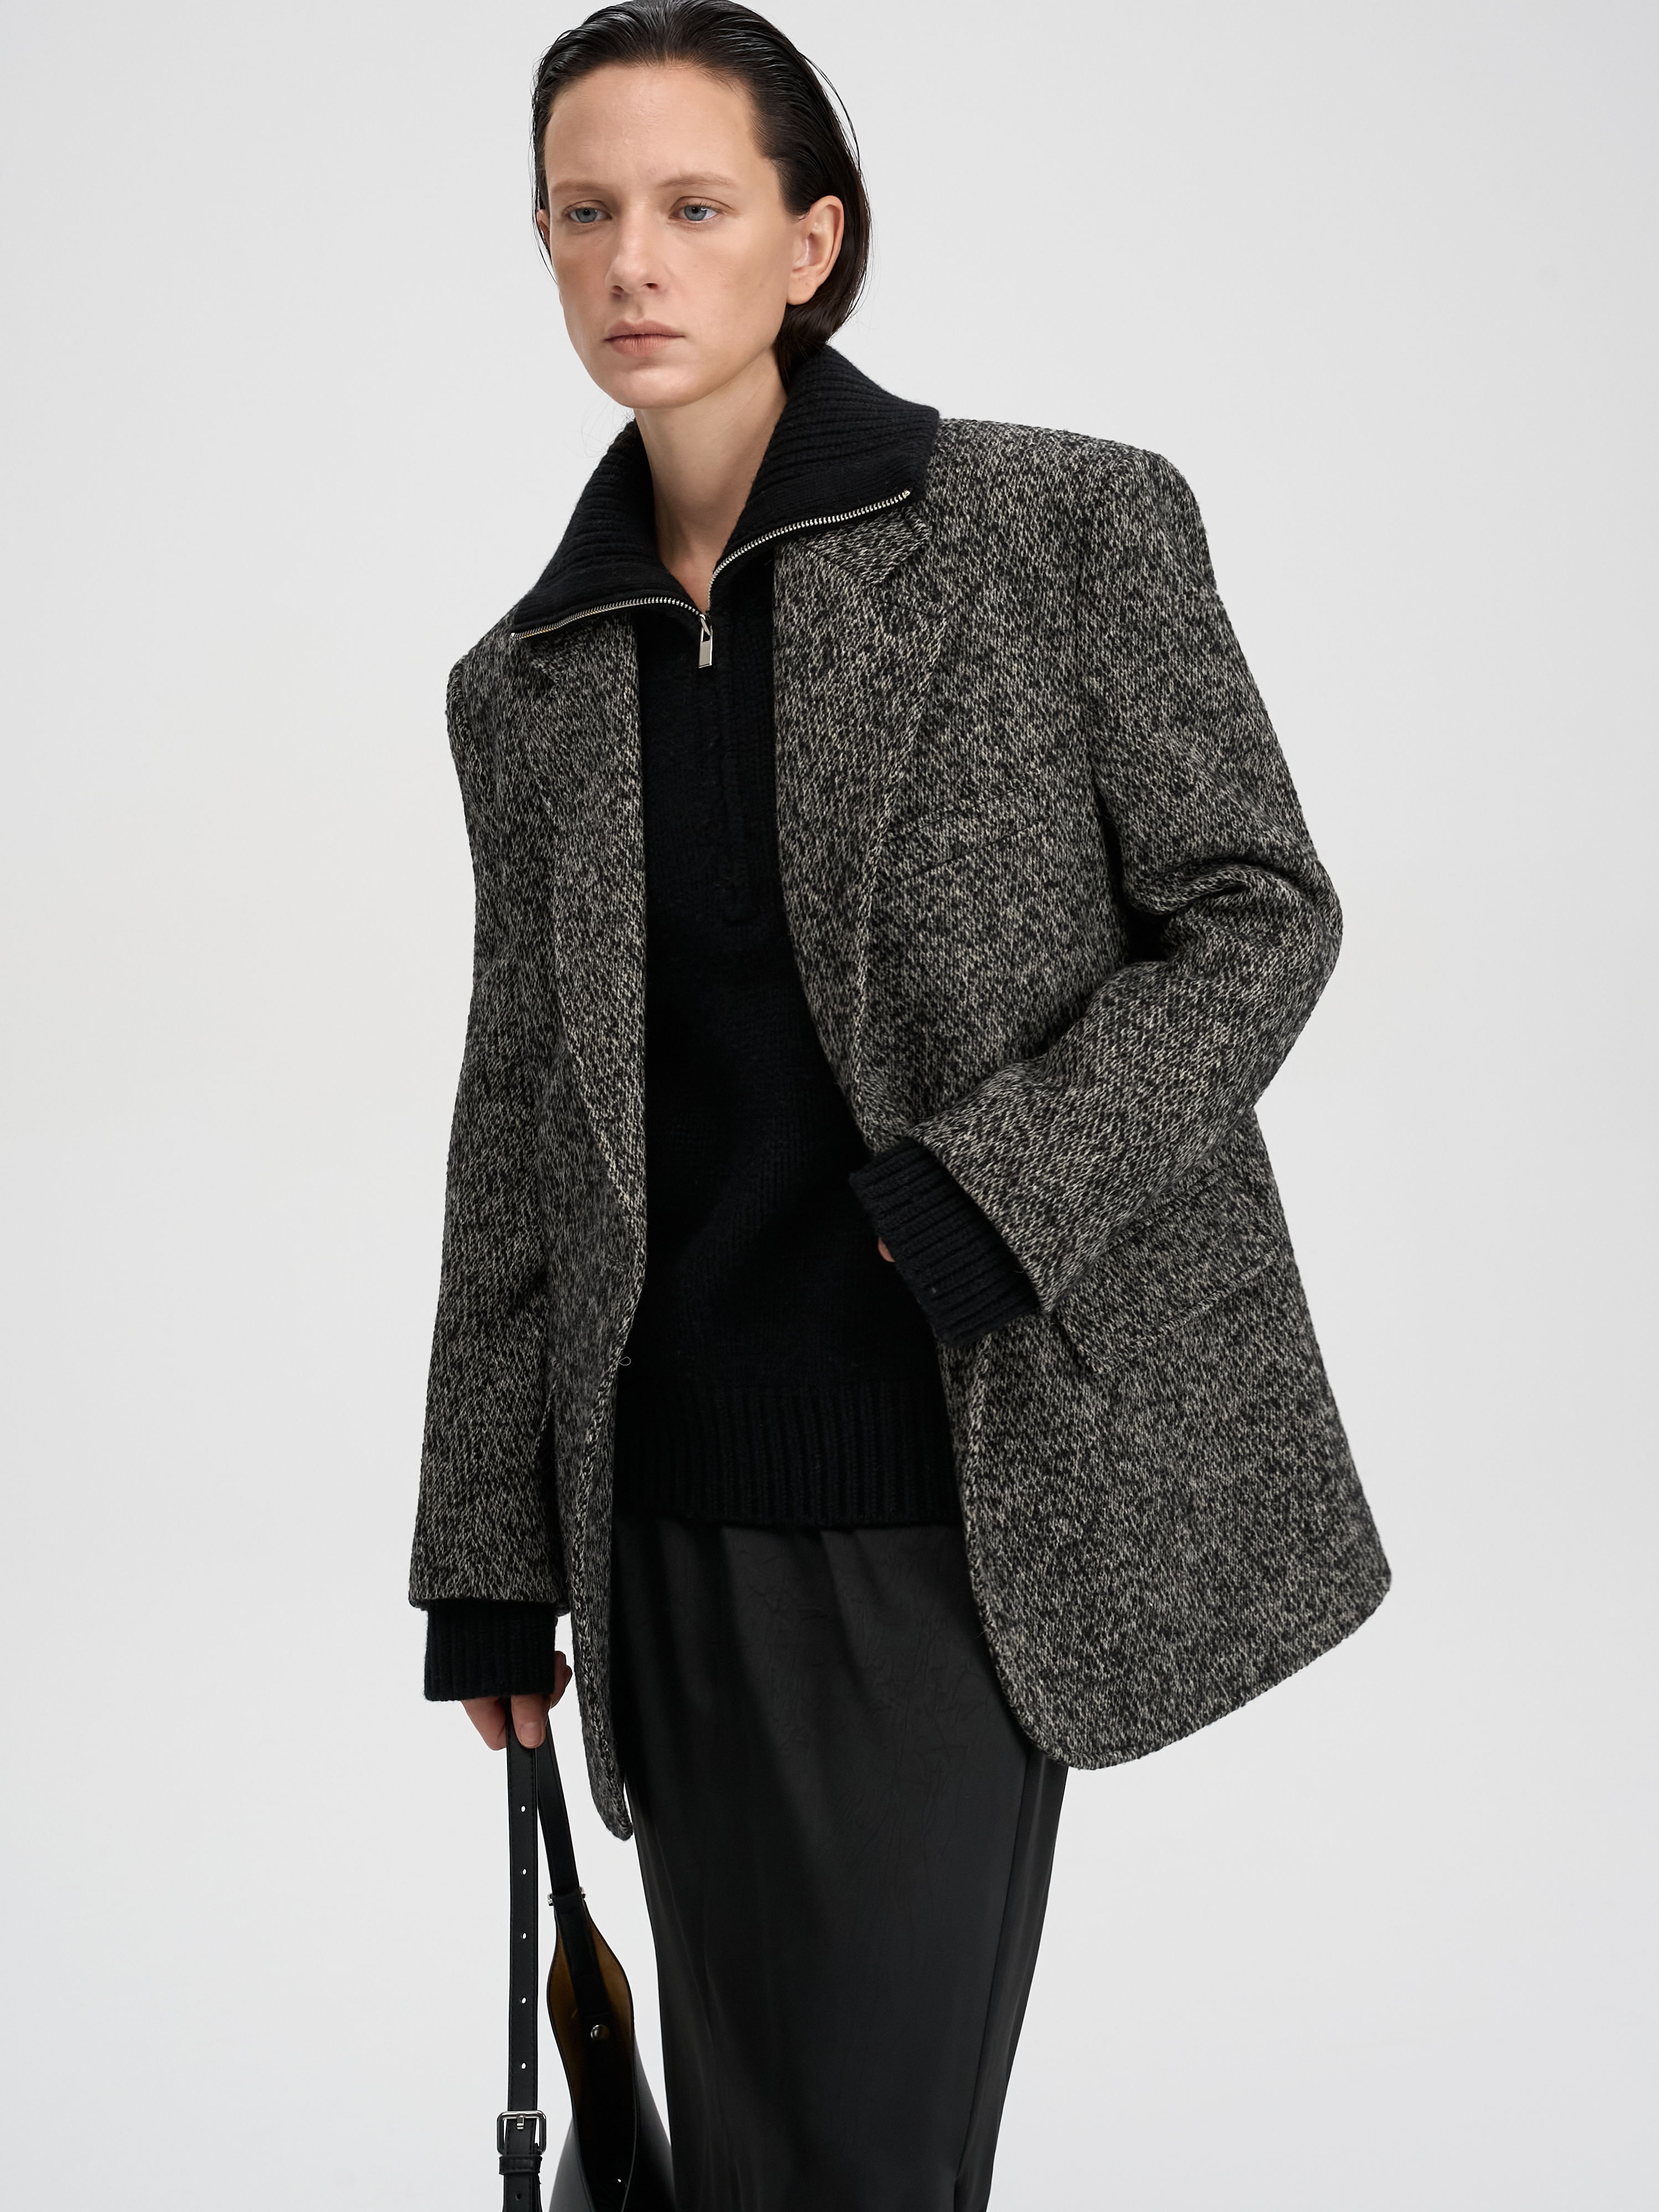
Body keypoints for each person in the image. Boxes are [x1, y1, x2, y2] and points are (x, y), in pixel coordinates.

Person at [408, 4, 1391, 2205]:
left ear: (811, 243)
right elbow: (518, 1127)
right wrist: (486, 1553)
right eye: (582, 213)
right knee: (744, 2151)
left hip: (948, 1498)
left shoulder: (1062, 528)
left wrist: (988, 1194)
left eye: (694, 207)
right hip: (660, 1525)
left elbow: (1258, 915)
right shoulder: (523, 686)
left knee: (862, 2159)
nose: (630, 261)